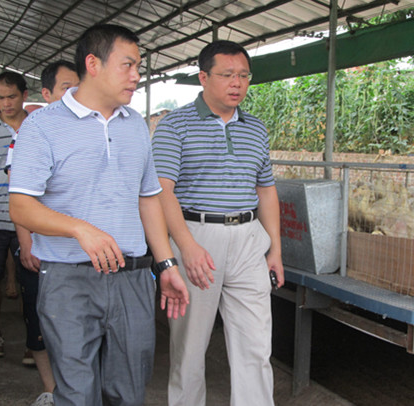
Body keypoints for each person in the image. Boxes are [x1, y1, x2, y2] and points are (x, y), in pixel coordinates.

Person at [8, 24, 189, 406]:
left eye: (138, 66)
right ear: (93, 64)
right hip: (68, 280)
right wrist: (79, 229)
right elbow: (21, 205)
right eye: (127, 65)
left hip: (132, 277)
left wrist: (167, 263)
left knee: (129, 392)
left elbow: (148, 199)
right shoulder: (42, 126)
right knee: (77, 394)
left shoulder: (135, 125)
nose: (136, 75)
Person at [152, 40, 284, 406]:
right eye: (227, 75)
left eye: (243, 75)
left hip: (248, 239)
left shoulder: (255, 128)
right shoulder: (174, 125)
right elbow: (162, 192)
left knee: (256, 344)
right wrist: (187, 246)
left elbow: (266, 190)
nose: (236, 83)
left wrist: (275, 249)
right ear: (203, 77)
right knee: (190, 346)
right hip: (196, 235)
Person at [5, 59, 79, 406]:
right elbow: (19, 197)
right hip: (43, 246)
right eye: (67, 87)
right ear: (46, 94)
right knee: (41, 321)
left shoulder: (99, 127)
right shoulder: (31, 132)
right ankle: (52, 391)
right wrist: (26, 242)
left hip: (85, 250)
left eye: (79, 85)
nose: (75, 93)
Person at [0, 71, 27, 359]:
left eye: (12, 97)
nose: (6, 103)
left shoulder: (37, 126)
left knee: (31, 282)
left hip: (30, 219)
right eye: (0, 98)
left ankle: (34, 340)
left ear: (24, 95)